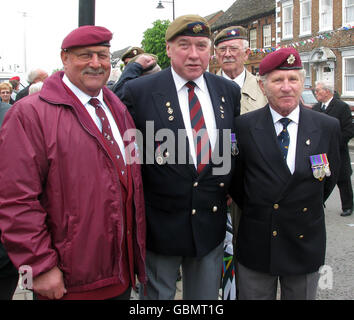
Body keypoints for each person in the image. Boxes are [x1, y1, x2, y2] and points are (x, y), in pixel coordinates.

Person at [0, 25, 146, 300]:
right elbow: (16, 199)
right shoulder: (29, 115)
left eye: (102, 55)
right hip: (68, 282)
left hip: (120, 275)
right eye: (85, 55)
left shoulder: (117, 108)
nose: (96, 63)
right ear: (64, 58)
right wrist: (39, 267)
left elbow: (131, 183)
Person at [120, 14, 241, 300]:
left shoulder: (228, 91)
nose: (194, 54)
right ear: (168, 48)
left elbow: (232, 146)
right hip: (160, 223)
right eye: (184, 45)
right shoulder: (139, 91)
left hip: (209, 224)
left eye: (201, 46)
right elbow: (128, 158)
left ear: (210, 50)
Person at [230, 48, 341, 300]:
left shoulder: (327, 127)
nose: (286, 87)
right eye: (278, 80)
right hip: (257, 240)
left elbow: (329, 180)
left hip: (304, 241)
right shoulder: (243, 127)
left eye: (293, 79)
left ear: (303, 83)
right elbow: (236, 184)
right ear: (262, 84)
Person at [313, 80, 354, 217]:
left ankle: (348, 206)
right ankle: (318, 203)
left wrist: (333, 144)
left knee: (343, 180)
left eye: (318, 90)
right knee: (319, 179)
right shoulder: (317, 108)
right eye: (316, 90)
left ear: (328, 91)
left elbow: (348, 131)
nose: (316, 92)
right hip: (319, 153)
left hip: (337, 151)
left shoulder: (342, 107)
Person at [214, 26, 267, 114]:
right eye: (222, 49)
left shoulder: (263, 89)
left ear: (246, 53)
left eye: (233, 49)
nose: (227, 54)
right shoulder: (206, 88)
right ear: (216, 54)